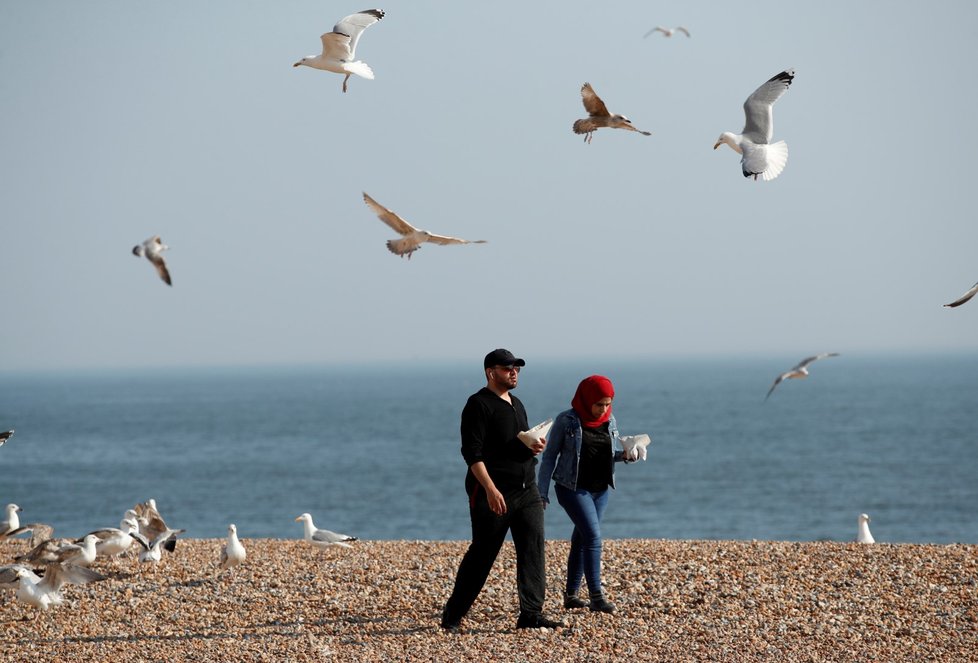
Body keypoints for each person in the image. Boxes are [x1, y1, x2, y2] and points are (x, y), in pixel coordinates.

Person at [441, 349, 564, 632]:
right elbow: (472, 454)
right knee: (483, 554)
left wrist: (534, 445)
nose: (514, 372)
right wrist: (490, 489)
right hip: (492, 491)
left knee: (533, 548)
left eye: (517, 368)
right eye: (508, 368)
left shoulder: (516, 403)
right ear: (490, 372)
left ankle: (530, 614)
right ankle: (453, 614)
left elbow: (515, 443)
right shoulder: (477, 405)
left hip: (526, 489)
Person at [537, 374, 639, 614]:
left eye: (607, 403)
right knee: (593, 536)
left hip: (601, 489)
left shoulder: (610, 419)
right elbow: (549, 456)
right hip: (571, 488)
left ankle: (571, 595)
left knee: (581, 538)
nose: (603, 409)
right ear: (586, 399)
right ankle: (596, 596)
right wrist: (541, 492)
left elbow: (607, 452)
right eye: (599, 404)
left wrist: (625, 455)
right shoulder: (567, 421)